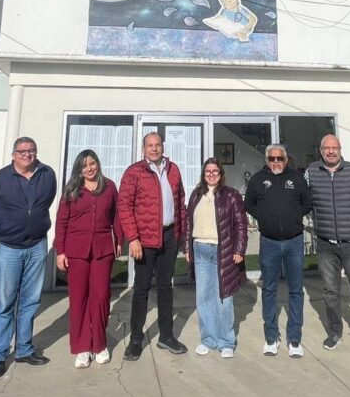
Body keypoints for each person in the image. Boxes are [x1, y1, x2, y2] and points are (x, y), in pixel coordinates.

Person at [0, 136, 58, 377]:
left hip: (37, 245)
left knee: (30, 301)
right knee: (6, 303)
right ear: (14, 154)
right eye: (22, 151)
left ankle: (24, 349)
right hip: (9, 248)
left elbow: (47, 201)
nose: (27, 154)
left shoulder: (47, 174)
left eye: (31, 150)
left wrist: (34, 222)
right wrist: (4, 227)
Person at [305, 134, 350, 357]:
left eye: (334, 148)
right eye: (326, 148)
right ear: (320, 150)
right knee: (330, 292)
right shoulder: (311, 172)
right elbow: (303, 200)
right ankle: (335, 332)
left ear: (340, 149)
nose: (330, 151)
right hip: (326, 244)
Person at [118, 132, 188, 359]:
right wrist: (133, 238)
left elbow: (180, 204)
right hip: (144, 240)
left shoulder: (173, 169)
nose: (154, 149)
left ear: (163, 147)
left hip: (169, 237)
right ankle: (136, 340)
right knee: (141, 289)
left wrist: (181, 235)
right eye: (150, 145)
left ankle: (166, 336)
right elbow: (124, 206)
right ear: (143, 149)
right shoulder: (134, 172)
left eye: (157, 145)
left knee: (166, 287)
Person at [54, 149, 123, 368]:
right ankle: (82, 347)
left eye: (92, 163)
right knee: (78, 299)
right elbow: (62, 221)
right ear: (79, 169)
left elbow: (117, 216)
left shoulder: (109, 187)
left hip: (103, 250)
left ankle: (99, 344)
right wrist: (60, 251)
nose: (89, 168)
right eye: (84, 166)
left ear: (98, 164)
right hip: (76, 251)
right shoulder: (72, 190)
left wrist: (119, 240)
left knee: (101, 297)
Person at [245, 143, 312, 358]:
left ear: (286, 159)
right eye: (272, 158)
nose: (276, 162)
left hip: (294, 242)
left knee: (296, 290)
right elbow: (249, 204)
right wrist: (264, 217)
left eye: (280, 158)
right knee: (269, 290)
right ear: (267, 160)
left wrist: (294, 216)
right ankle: (271, 337)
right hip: (269, 243)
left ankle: (294, 339)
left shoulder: (297, 179)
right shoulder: (257, 180)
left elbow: (307, 203)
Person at [184, 158, 248, 357]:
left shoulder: (231, 195)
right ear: (203, 174)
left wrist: (239, 250)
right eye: (208, 171)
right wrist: (187, 248)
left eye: (215, 171)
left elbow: (241, 225)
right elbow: (188, 223)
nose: (211, 174)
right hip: (200, 249)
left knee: (224, 298)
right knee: (203, 298)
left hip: (224, 250)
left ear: (221, 174)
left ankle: (226, 342)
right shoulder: (196, 194)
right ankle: (208, 340)